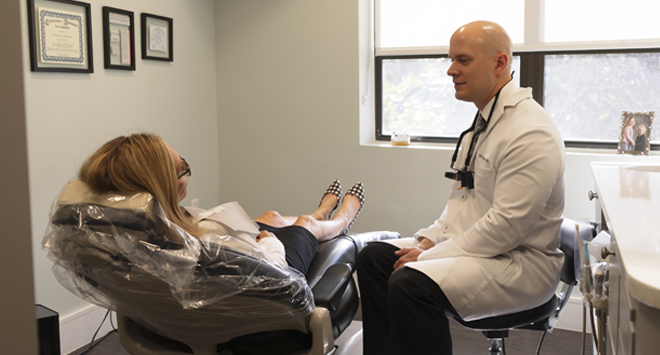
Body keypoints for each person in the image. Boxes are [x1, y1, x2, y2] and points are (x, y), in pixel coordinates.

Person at [357, 21, 565, 354]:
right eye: (451, 59)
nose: (451, 70)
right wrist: (429, 238)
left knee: (411, 283)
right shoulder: (482, 125)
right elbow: (461, 205)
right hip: (484, 252)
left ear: (500, 63)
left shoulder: (529, 131)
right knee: (375, 257)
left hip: (520, 265)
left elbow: (506, 229)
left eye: (463, 60)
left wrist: (428, 255)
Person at [77, 133, 365, 275]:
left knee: (271, 216)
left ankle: (320, 211)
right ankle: (339, 222)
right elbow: (276, 276)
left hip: (234, 255)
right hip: (270, 271)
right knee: (304, 225)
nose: (187, 172)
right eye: (182, 167)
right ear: (163, 184)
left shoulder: (124, 225)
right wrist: (270, 243)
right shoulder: (192, 245)